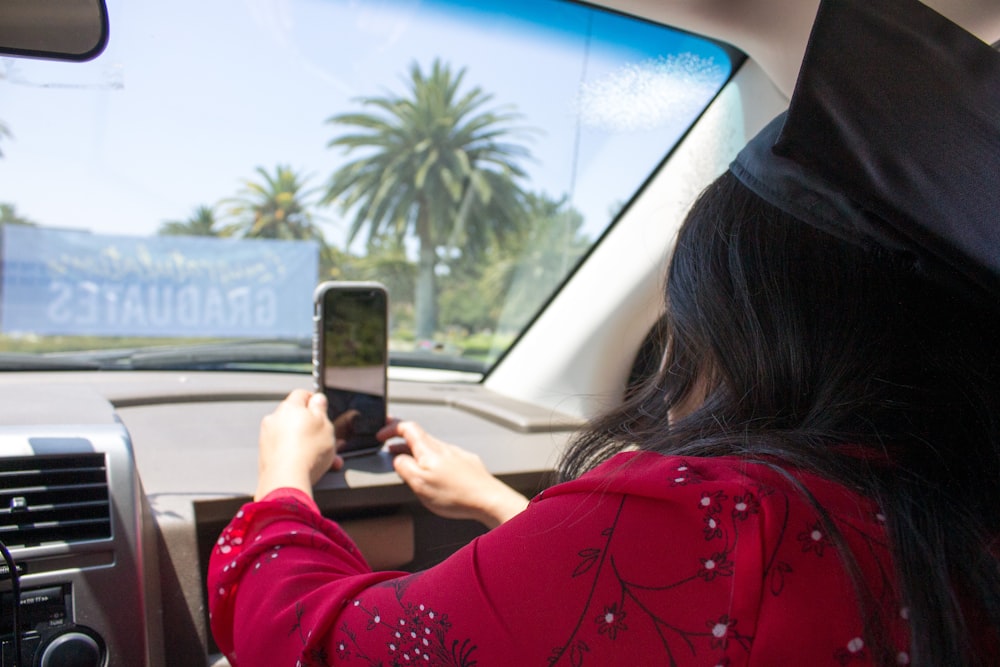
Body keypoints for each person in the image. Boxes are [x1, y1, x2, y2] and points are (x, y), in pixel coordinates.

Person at [208, 0, 1000, 664]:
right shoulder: (954, 527)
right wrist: (496, 501)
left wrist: (281, 486)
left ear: (751, 327)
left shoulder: (728, 518)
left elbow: (330, 645)